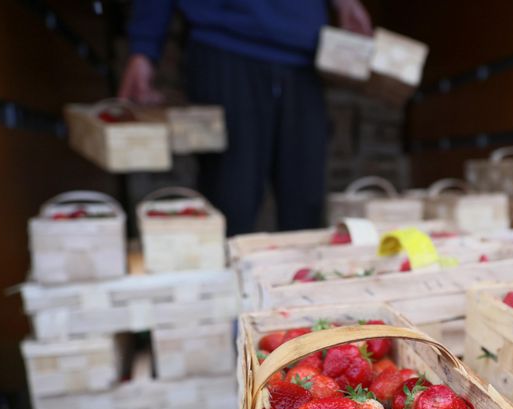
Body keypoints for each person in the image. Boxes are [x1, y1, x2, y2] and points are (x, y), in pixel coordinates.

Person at [119, 0, 373, 235]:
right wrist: (143, 47)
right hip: (226, 44)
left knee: (305, 207)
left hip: (302, 55)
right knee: (231, 204)